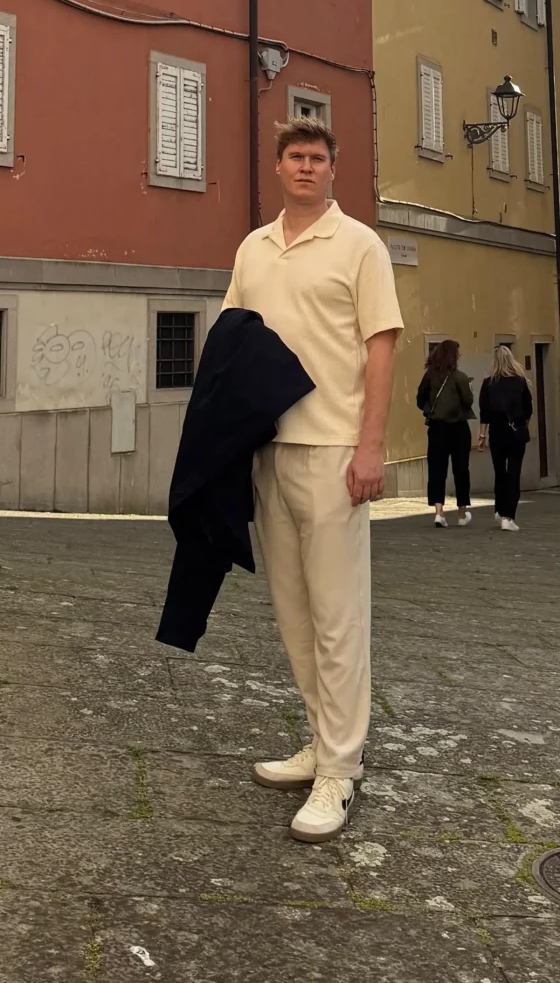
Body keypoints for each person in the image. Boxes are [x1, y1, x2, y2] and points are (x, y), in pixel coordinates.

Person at [221, 117, 403, 843]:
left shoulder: (361, 245)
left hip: (333, 449)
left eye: (317, 157)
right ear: (278, 167)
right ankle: (319, 743)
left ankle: (342, 771)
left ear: (334, 168)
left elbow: (381, 347)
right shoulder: (253, 248)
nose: (305, 167)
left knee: (338, 617)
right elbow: (232, 343)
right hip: (270, 449)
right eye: (294, 156)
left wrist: (371, 447)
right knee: (294, 613)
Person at [416, 340, 475, 528]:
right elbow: (468, 402)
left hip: (437, 428)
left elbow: (420, 399)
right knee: (461, 470)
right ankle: (461, 513)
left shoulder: (429, 376)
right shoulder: (461, 377)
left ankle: (439, 512)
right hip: (458, 428)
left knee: (437, 470)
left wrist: (431, 409)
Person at [478, 346, 533, 532]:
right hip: (516, 432)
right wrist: (524, 425)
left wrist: (482, 435)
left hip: (497, 433)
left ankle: (499, 510)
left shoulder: (488, 383)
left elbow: (484, 413)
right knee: (513, 474)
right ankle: (508, 517)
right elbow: (528, 409)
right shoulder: (520, 382)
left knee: (500, 473)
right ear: (511, 359)